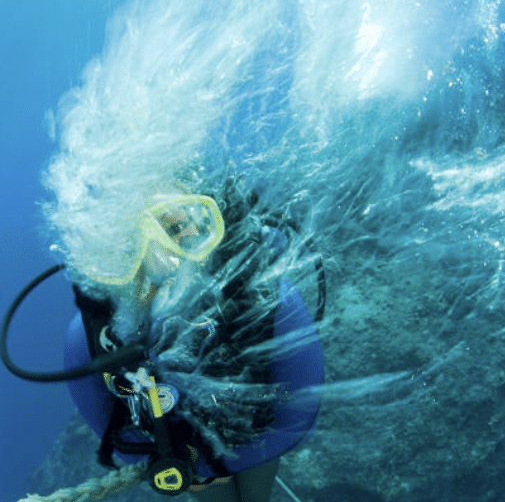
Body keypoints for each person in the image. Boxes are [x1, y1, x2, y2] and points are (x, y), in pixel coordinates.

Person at [62, 190, 324, 502]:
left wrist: (207, 465)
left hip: (249, 438)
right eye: (132, 245)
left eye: (174, 230)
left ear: (207, 226)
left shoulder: (266, 299)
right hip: (189, 463)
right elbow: (114, 435)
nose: (161, 263)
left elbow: (298, 416)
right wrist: (189, 465)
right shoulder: (88, 339)